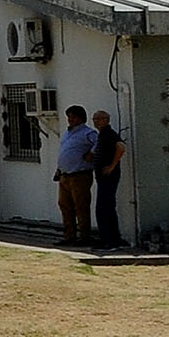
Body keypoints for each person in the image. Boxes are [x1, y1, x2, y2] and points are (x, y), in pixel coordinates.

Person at [52, 104, 98, 244]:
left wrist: (91, 153)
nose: (70, 120)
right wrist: (59, 170)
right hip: (64, 175)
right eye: (69, 117)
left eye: (73, 117)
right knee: (65, 206)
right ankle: (69, 236)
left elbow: (100, 142)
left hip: (80, 175)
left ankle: (84, 236)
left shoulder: (88, 132)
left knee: (81, 206)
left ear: (81, 118)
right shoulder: (67, 133)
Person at [91, 109, 126, 248]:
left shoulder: (109, 134)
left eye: (99, 119)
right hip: (102, 176)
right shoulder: (102, 135)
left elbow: (121, 147)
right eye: (94, 119)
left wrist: (112, 165)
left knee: (103, 208)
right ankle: (112, 238)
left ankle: (108, 240)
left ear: (107, 120)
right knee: (107, 207)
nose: (96, 122)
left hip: (108, 176)